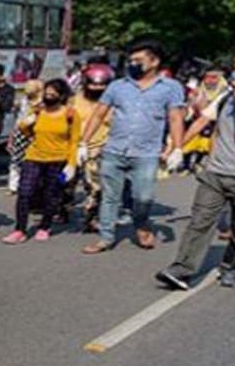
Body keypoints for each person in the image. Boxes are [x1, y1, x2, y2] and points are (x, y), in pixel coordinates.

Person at [156, 54, 235, 290]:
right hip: (216, 172)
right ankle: (181, 270)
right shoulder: (226, 97)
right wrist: (176, 148)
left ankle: (233, 267)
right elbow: (200, 122)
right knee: (200, 221)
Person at [78, 39, 186, 254]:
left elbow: (175, 118)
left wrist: (178, 148)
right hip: (114, 150)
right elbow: (99, 113)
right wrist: (83, 142)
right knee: (109, 197)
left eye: (139, 60)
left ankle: (141, 223)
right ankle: (106, 238)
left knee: (143, 197)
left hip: (146, 153)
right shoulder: (118, 86)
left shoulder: (170, 88)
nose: (133, 63)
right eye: (131, 60)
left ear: (154, 61)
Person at [3, 79, 81, 244]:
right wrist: (27, 121)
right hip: (33, 157)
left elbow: (74, 141)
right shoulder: (38, 111)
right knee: (24, 193)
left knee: (50, 195)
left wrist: (72, 164)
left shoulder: (71, 114)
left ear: (61, 96)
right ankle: (20, 230)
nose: (48, 96)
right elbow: (25, 132)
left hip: (58, 160)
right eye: (46, 93)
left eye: (53, 94)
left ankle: (45, 227)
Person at [71, 64, 115, 232]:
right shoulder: (74, 99)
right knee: (65, 181)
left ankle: (92, 217)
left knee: (95, 185)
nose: (97, 88)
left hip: (99, 148)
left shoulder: (112, 103)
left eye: (101, 85)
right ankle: (62, 207)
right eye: (93, 84)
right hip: (73, 146)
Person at [180, 65, 228, 173]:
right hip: (197, 119)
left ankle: (199, 162)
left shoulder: (226, 89)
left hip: (214, 122)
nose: (209, 80)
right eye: (207, 77)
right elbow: (191, 104)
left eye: (213, 77)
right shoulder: (198, 88)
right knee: (190, 143)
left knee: (206, 145)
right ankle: (186, 164)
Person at [6, 80, 42, 194]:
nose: (28, 90)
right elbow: (18, 118)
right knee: (16, 160)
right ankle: (13, 186)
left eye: (31, 87)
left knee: (32, 161)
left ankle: (29, 185)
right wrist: (12, 136)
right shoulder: (23, 101)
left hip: (35, 134)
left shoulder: (42, 103)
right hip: (20, 133)